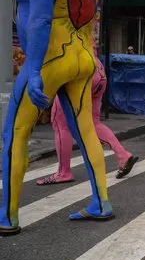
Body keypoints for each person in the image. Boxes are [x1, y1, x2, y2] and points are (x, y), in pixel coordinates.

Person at [1, 0, 113, 236]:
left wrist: (33, 69)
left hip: (50, 60)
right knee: (87, 131)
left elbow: (40, 20)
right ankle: (101, 202)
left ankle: (7, 217)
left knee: (16, 134)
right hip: (82, 59)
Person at [36, 52, 139, 185]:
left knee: (60, 123)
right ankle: (123, 155)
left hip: (78, 70)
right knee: (94, 123)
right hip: (97, 70)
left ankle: (64, 172)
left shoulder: (59, 31)